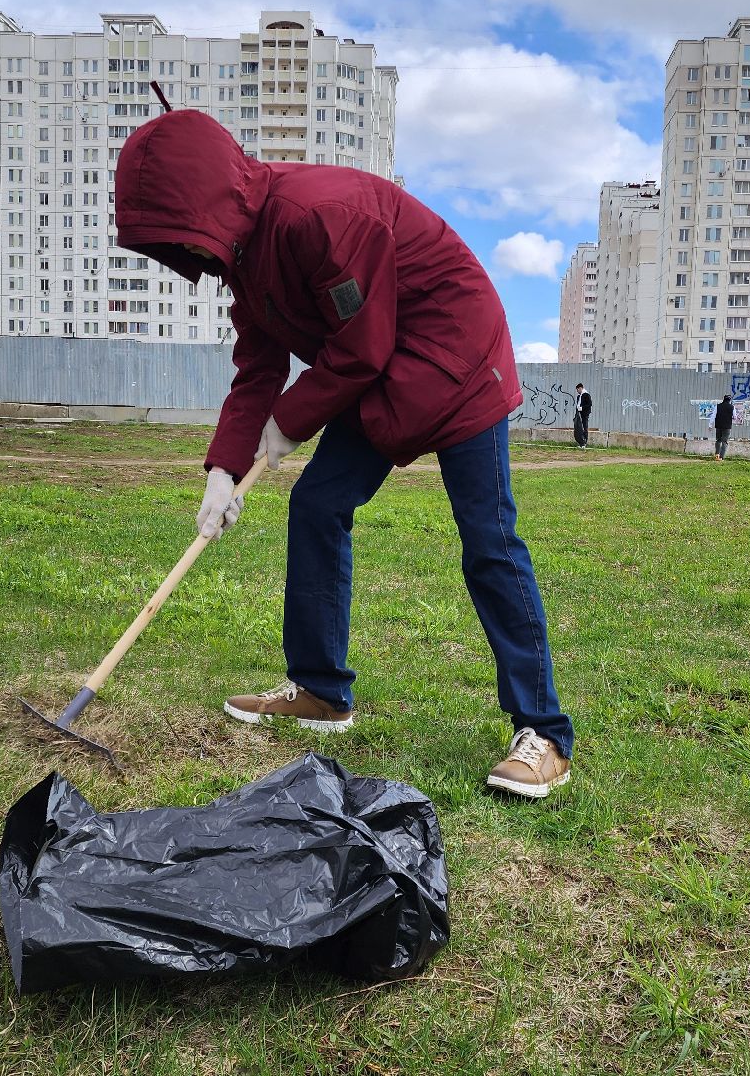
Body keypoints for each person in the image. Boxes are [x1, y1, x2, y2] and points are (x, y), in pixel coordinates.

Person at [114, 109, 575, 798]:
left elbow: (361, 347)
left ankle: (545, 734)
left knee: (488, 537)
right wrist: (224, 468)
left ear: (211, 200)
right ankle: (322, 691)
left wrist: (287, 426)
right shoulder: (245, 250)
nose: (193, 259)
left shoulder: (320, 216)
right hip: (385, 366)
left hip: (458, 355)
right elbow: (259, 365)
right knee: (319, 501)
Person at [712, 394, 735, 459]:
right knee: (724, 442)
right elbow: (735, 417)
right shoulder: (732, 407)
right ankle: (721, 457)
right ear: (730, 400)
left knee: (718, 440)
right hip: (727, 427)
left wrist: (710, 425)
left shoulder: (718, 406)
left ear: (724, 399)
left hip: (718, 426)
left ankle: (717, 455)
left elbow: (713, 416)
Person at [573, 383, 591, 449]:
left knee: (584, 428)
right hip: (579, 414)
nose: (577, 391)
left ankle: (584, 442)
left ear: (580, 388)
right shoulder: (579, 396)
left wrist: (582, 408)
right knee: (579, 428)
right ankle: (581, 442)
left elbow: (589, 404)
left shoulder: (586, 395)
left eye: (578, 389)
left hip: (584, 414)